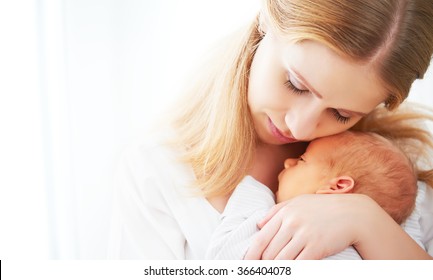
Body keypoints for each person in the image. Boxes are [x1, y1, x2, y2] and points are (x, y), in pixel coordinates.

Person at [108, 0, 433, 259]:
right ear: (266, 19)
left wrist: (366, 221)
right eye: (295, 84)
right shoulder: (156, 170)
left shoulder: (408, 165)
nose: (299, 127)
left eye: (342, 114)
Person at [205, 130, 426, 259]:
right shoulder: (405, 240)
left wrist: (251, 191)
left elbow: (226, 258)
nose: (288, 161)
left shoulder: (262, 209)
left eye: (302, 159)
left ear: (338, 186)